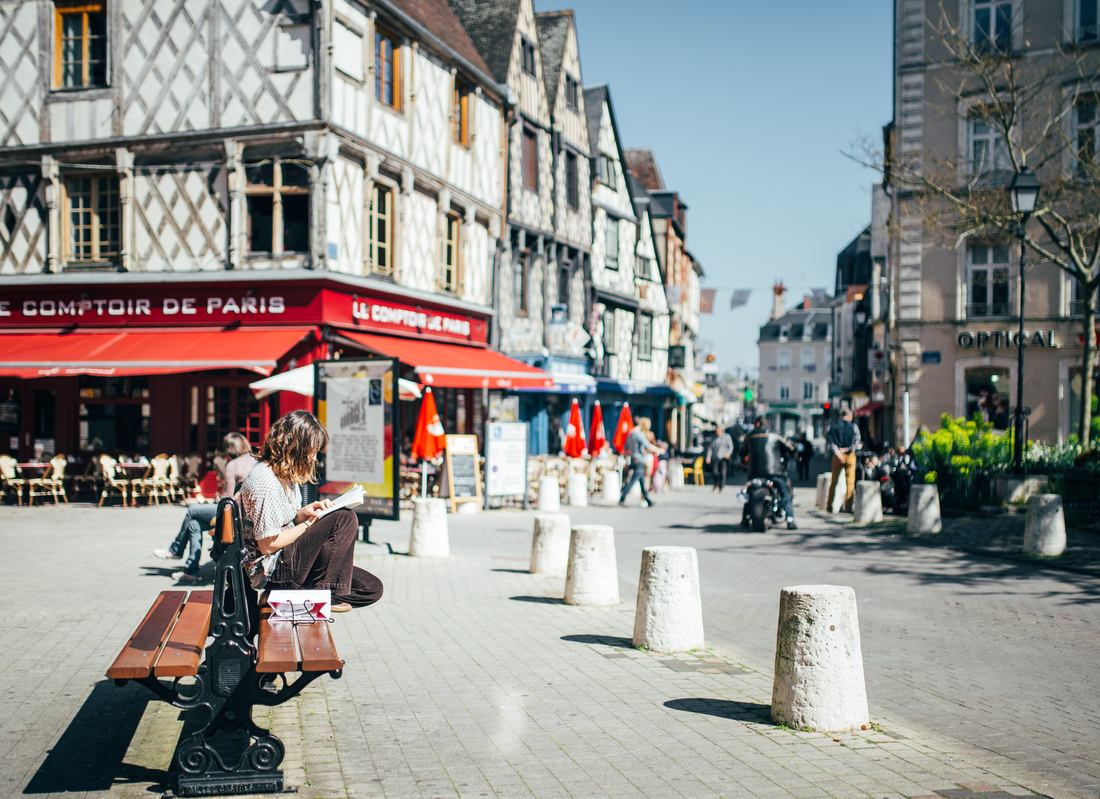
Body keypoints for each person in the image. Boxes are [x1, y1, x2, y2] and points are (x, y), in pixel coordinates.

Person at [238, 410, 382, 613]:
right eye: (312, 451)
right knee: (344, 518)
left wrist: (304, 513)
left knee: (370, 588)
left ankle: (318, 593)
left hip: (288, 559)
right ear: (296, 447)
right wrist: (308, 525)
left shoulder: (284, 475)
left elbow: (283, 520)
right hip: (273, 572)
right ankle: (319, 596)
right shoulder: (265, 482)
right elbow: (268, 544)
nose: (314, 458)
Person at [154, 433, 257, 583]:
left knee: (192, 510)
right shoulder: (255, 459)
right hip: (248, 513)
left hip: (233, 513)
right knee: (193, 524)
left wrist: (212, 499)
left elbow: (227, 500)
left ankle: (175, 550)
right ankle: (190, 569)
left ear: (229, 448)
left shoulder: (233, 465)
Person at [743, 418, 798, 529]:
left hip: (754, 472)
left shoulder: (749, 436)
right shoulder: (776, 434)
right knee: (785, 493)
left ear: (757, 423)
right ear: (767, 424)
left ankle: (745, 518)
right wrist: (794, 455)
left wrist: (745, 463)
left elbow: (742, 453)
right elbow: (791, 448)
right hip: (774, 472)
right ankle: (790, 520)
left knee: (749, 493)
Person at [619, 417, 661, 507]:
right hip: (639, 460)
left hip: (633, 459)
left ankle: (648, 500)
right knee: (633, 481)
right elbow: (648, 445)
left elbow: (626, 448)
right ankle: (622, 497)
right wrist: (659, 449)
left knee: (641, 481)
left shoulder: (630, 434)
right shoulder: (639, 434)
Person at [826, 408, 862, 513]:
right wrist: (847, 449)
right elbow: (856, 442)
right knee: (850, 483)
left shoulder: (833, 426)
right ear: (850, 416)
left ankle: (829, 506)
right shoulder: (853, 427)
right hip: (850, 455)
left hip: (837, 456)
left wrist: (838, 453)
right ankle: (848, 507)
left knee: (834, 482)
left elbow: (831, 442)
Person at [706, 427, 735, 492]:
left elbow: (731, 446)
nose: (717, 432)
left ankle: (721, 486)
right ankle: (716, 483)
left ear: (722, 431)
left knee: (723, 472)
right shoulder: (713, 438)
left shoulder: (727, 437)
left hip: (724, 457)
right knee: (715, 472)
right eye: (716, 431)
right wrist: (708, 457)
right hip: (715, 457)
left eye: (718, 431)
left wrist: (728, 453)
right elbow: (710, 448)